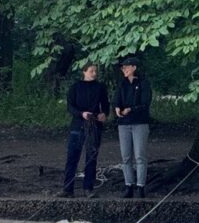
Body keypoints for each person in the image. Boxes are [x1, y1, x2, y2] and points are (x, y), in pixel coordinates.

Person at [59, 63, 109, 198]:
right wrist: (81, 114)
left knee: (91, 157)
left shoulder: (100, 87)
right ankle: (68, 188)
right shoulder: (75, 87)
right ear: (84, 72)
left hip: (94, 125)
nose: (94, 73)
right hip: (78, 125)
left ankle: (88, 188)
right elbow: (70, 106)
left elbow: (105, 106)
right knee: (72, 157)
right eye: (91, 71)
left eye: (95, 71)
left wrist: (103, 114)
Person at [114, 56, 153, 198]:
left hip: (140, 123)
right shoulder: (122, 83)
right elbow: (116, 99)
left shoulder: (143, 83)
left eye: (127, 67)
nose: (124, 69)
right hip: (124, 123)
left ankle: (140, 186)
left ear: (134, 68)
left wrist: (131, 109)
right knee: (126, 156)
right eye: (123, 67)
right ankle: (128, 184)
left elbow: (145, 103)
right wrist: (117, 108)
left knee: (140, 156)